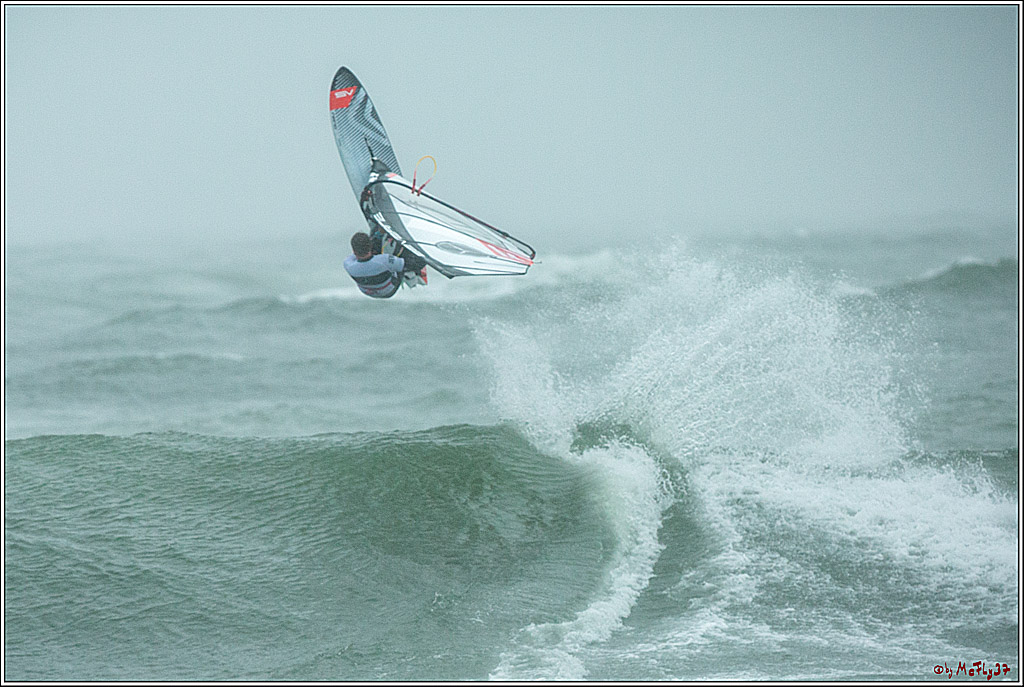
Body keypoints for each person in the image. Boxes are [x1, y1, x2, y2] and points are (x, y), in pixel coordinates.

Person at [343, 231, 427, 299]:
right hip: (389, 290)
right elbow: (412, 264)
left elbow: (361, 254)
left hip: (368, 292)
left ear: (353, 251)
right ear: (370, 247)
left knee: (376, 240)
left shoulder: (348, 264)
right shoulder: (384, 260)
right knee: (410, 260)